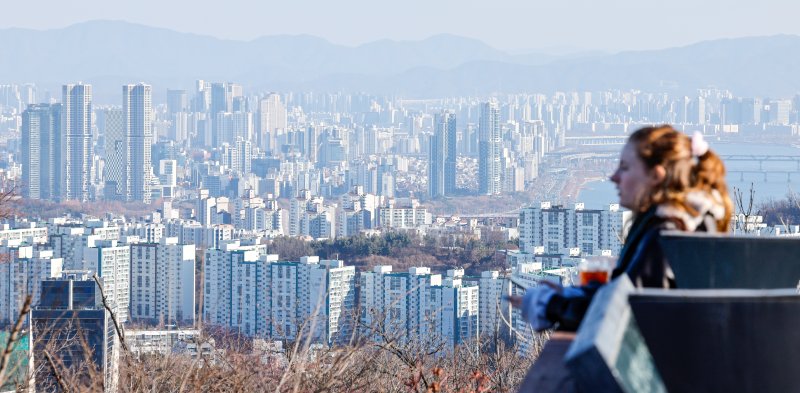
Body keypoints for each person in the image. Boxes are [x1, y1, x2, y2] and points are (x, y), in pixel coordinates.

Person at [510, 125, 733, 331]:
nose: (614, 177)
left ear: (656, 176)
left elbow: (624, 314)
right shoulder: (680, 225)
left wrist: (549, 305)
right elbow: (629, 294)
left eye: (625, 168)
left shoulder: (667, 235)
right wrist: (571, 294)